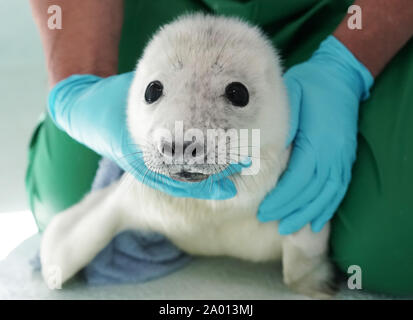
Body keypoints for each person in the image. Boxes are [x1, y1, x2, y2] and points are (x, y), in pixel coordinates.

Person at [28, 0, 413, 295]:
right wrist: (77, 86)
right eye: (152, 93)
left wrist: (348, 64)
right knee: (63, 193)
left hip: (343, 14)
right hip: (166, 19)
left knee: (395, 247)